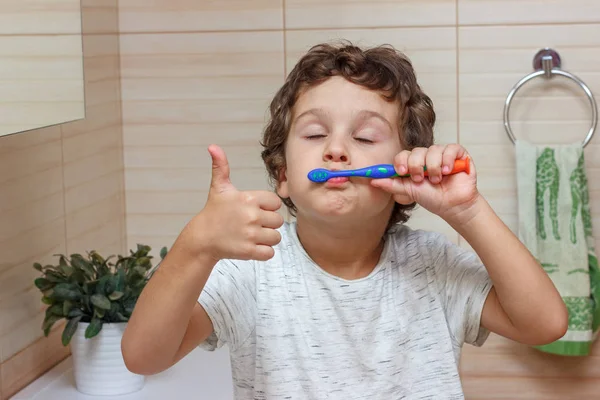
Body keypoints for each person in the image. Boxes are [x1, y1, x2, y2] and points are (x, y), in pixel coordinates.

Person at [121, 42, 568, 399]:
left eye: (365, 136)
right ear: (284, 175)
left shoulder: (433, 266)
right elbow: (143, 357)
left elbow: (544, 324)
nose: (336, 149)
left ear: (403, 169)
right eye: (315, 134)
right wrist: (196, 245)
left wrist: (467, 212)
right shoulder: (250, 271)